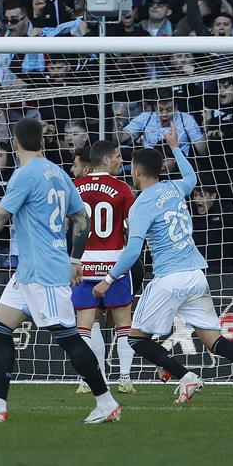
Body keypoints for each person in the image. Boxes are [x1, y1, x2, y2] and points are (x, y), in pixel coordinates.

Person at [92, 125, 233, 406]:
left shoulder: (141, 204)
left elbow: (134, 249)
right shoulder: (175, 188)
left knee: (135, 338)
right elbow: (191, 176)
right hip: (196, 275)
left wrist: (108, 279)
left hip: (170, 278)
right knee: (214, 340)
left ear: (137, 171)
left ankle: (186, 376)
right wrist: (176, 147)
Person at [0, 117, 120, 424]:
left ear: (16, 144)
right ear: (43, 142)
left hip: (44, 272)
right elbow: (81, 219)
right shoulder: (59, 174)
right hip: (30, 271)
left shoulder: (24, 175)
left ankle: (106, 400)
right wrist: (75, 259)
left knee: (68, 338)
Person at [70, 141, 137, 394]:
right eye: (118, 157)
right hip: (114, 263)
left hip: (84, 263)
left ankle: (87, 380)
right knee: (123, 323)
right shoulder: (121, 188)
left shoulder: (75, 187)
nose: (122, 161)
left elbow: (70, 225)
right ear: (106, 160)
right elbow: (132, 227)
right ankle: (125, 378)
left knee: (85, 324)